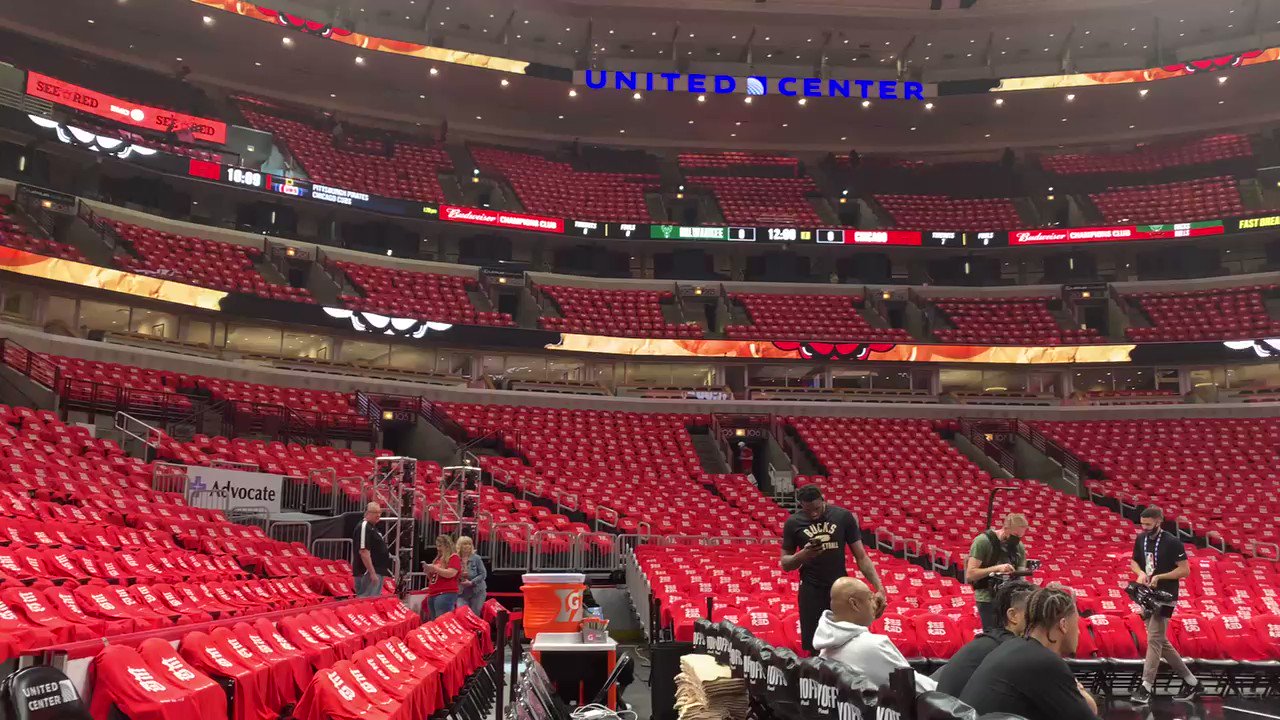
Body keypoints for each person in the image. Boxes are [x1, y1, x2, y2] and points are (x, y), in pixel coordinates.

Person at [959, 587, 1099, 720]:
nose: (1080, 632)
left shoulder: (1012, 647)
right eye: (1077, 625)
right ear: (1063, 625)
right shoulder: (1043, 662)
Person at [780, 485, 884, 653]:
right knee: (815, 644)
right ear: (800, 505)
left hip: (841, 589)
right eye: (807, 510)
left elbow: (862, 557)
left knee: (846, 641)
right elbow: (785, 563)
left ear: (823, 499)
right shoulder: (793, 523)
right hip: (811, 588)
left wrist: (879, 588)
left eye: (816, 508)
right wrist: (803, 555)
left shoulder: (842, 517)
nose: (813, 513)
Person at [813, 577, 935, 692]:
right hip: (921, 704)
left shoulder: (827, 642)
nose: (875, 604)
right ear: (854, 604)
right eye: (870, 598)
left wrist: (867, 616)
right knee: (953, 665)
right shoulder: (874, 646)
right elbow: (917, 686)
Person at [1130, 506, 1200, 704]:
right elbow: (1134, 562)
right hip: (1148, 595)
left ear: (1159, 522)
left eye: (1148, 524)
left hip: (1167, 596)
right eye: (1142, 524)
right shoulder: (1141, 539)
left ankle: (1146, 686)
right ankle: (1191, 681)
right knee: (1160, 640)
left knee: (1154, 638)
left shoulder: (1172, 542)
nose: (1144, 527)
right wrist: (1140, 573)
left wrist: (1160, 577)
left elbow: (1184, 571)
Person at [933, 580, 1036, 696]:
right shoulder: (1010, 650)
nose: (1042, 620)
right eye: (1036, 613)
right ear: (1013, 616)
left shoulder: (991, 640)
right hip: (957, 711)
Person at [966, 513, 1030, 632]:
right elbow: (970, 574)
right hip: (987, 598)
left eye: (1020, 536)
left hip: (1009, 599)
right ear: (1005, 529)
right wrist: (996, 568)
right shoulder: (983, 541)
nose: (1016, 539)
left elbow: (1021, 576)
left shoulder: (1018, 546)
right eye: (1015, 535)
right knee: (993, 636)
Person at [352, 502, 391, 598]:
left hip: (376, 571)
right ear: (367, 513)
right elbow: (364, 551)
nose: (378, 515)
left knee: (372, 600)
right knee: (367, 600)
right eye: (375, 512)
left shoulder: (372, 528)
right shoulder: (364, 526)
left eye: (380, 512)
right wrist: (372, 572)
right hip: (368, 572)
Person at [424, 534, 461, 619]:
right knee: (435, 622)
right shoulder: (438, 559)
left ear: (447, 545)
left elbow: (451, 573)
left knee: (442, 621)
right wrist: (428, 572)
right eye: (437, 546)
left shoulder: (454, 557)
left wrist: (435, 568)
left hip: (445, 593)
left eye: (440, 546)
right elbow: (433, 578)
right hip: (433, 593)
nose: (438, 549)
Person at [455, 536, 487, 615]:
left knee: (474, 614)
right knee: (461, 613)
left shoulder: (476, 558)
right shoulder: (455, 558)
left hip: (477, 591)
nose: (467, 546)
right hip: (461, 592)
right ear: (459, 546)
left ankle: (474, 627)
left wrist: (472, 582)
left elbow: (483, 574)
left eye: (469, 544)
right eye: (465, 544)